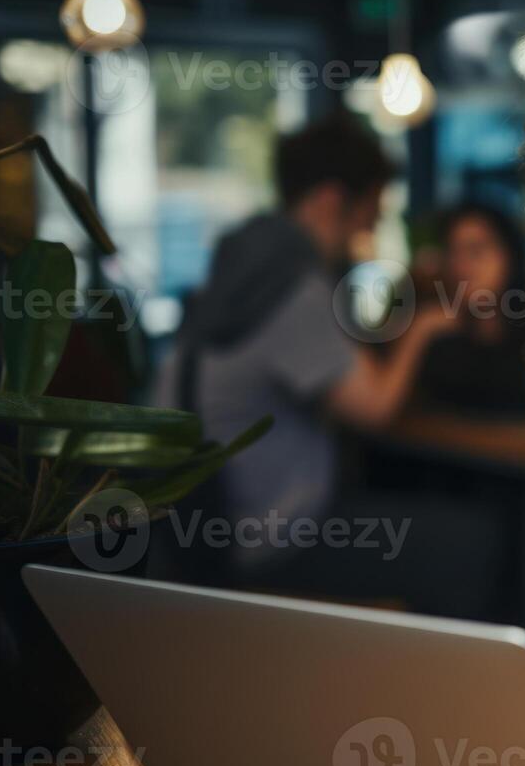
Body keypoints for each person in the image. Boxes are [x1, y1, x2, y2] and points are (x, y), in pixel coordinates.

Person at [154, 111, 452, 578]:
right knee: (467, 545)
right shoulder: (293, 289)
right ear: (332, 200)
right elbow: (375, 408)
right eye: (369, 215)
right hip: (269, 538)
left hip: (200, 530)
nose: (369, 233)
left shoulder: (246, 267)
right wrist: (425, 327)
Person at [413, 201, 525, 416]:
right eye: (453, 252)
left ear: (511, 256)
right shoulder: (435, 336)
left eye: (476, 250)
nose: (462, 265)